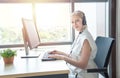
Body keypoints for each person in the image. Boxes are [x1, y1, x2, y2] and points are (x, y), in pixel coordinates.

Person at [48, 10, 98, 78]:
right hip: (77, 73)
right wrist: (60, 53)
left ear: (84, 21)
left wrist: (63, 58)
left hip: (85, 75)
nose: (74, 24)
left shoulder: (85, 39)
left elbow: (83, 65)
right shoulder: (81, 34)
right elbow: (75, 57)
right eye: (72, 22)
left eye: (77, 20)